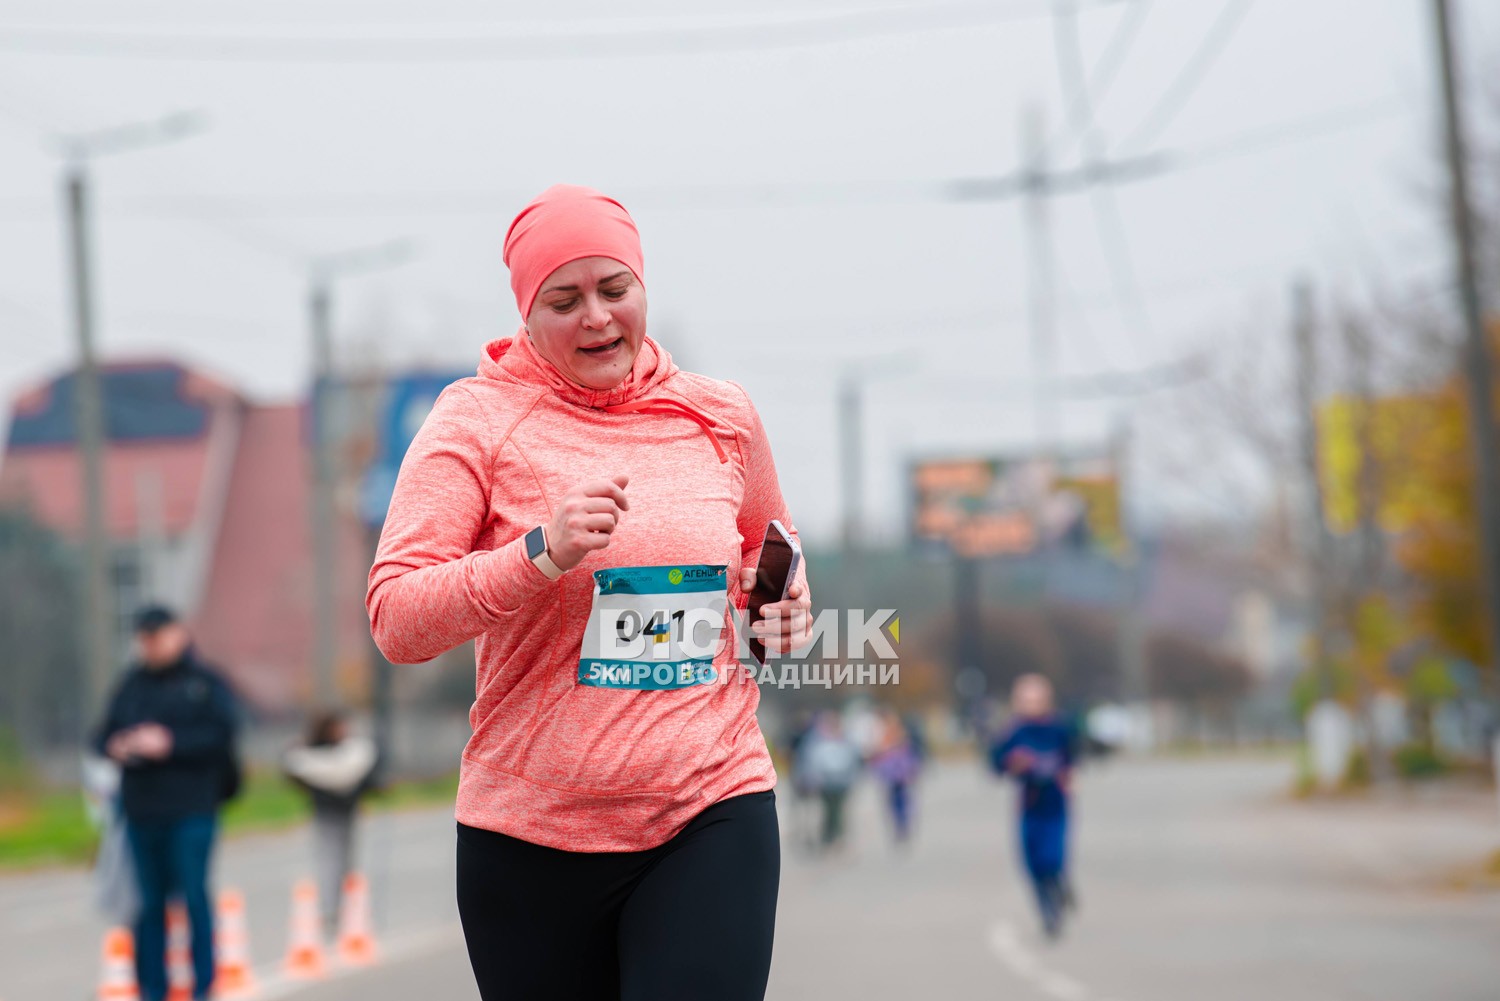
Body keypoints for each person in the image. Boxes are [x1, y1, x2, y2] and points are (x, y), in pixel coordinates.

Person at [367, 184, 811, 1001]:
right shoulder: (475, 421)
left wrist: (781, 615)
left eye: (615, 289)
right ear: (527, 315)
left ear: (644, 289)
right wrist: (538, 554)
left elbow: (769, 554)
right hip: (531, 838)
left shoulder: (719, 416)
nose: (597, 318)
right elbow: (397, 618)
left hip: (708, 806)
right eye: (564, 300)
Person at [92, 605, 240, 1001]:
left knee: (193, 895)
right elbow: (101, 735)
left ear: (178, 634)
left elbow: (222, 735)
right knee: (147, 904)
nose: (151, 646)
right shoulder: (132, 685)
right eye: (144, 639)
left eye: (157, 637)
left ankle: (203, 984)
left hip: (192, 807)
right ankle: (152, 989)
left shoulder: (204, 683)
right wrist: (119, 744)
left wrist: (170, 743)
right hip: (141, 810)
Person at [988, 673, 1076, 940]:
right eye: (1025, 700)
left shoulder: (1059, 728)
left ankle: (1059, 890)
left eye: (1036, 699)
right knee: (1031, 864)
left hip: (1055, 802)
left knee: (1052, 857)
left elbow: (1072, 758)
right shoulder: (1013, 730)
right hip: (1028, 802)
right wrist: (1012, 763)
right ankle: (1048, 913)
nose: (1031, 705)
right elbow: (996, 764)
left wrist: (1065, 774)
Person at [282, 709, 381, 934]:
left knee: (346, 860)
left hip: (348, 813)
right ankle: (330, 908)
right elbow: (300, 772)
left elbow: (363, 775)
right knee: (330, 860)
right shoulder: (312, 755)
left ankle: (346, 906)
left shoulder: (350, 752)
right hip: (326, 813)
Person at [796, 711, 863, 852]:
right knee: (827, 810)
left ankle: (837, 837)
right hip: (825, 782)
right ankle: (828, 837)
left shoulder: (845, 739)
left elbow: (853, 760)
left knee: (838, 811)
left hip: (841, 781)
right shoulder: (817, 740)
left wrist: (852, 778)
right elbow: (810, 760)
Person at [868, 707, 921, 847]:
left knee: (900, 801)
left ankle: (902, 824)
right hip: (891, 773)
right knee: (895, 801)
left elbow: (908, 755)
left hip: (898, 772)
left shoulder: (898, 734)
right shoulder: (884, 734)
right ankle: (900, 825)